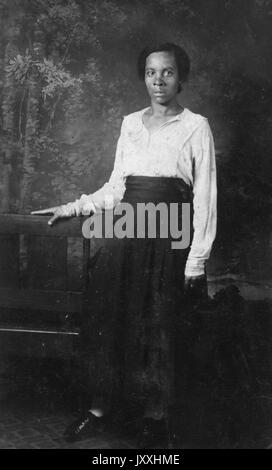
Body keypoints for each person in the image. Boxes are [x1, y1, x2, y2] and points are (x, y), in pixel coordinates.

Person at [31, 42, 217, 448]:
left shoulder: (196, 126)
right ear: (144, 77)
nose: (158, 80)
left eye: (167, 72)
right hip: (128, 227)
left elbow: (204, 198)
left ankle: (154, 419)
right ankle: (97, 411)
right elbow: (116, 188)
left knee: (158, 322)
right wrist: (72, 206)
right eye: (151, 72)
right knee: (108, 317)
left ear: (180, 77)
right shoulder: (130, 123)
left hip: (171, 232)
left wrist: (195, 261)